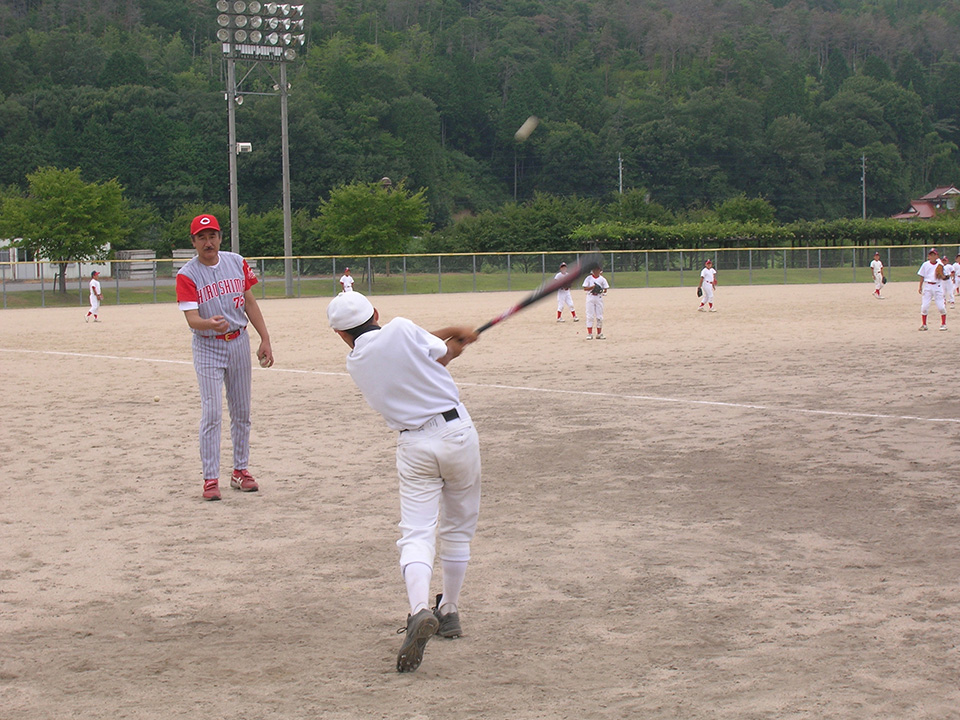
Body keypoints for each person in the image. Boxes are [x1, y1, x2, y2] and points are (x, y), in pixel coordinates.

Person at [326, 291, 481, 673]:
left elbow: (418, 348)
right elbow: (438, 352)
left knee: (416, 533)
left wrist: (450, 338)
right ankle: (449, 610)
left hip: (413, 444)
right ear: (375, 313)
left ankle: (419, 609)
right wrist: (455, 336)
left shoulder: (355, 362)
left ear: (341, 334)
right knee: (457, 528)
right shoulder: (400, 328)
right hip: (456, 432)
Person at [175, 213, 274, 501]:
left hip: (239, 342)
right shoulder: (187, 274)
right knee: (212, 413)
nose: (208, 242)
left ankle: (240, 471)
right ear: (193, 241)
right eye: (202, 237)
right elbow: (192, 319)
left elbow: (249, 302)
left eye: (212, 236)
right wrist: (208, 324)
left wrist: (265, 338)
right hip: (208, 345)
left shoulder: (236, 262)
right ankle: (210, 478)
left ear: (220, 238)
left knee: (242, 411)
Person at [917, 248, 947, 331]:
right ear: (928, 256)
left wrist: (943, 275)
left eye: (934, 255)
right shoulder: (925, 264)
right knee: (924, 306)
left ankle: (943, 324)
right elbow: (922, 276)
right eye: (931, 255)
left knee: (941, 307)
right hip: (928, 286)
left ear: (937, 256)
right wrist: (920, 286)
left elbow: (945, 276)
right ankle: (924, 324)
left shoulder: (940, 265)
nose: (932, 256)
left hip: (938, 286)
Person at [582, 266, 609, 339]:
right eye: (594, 270)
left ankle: (599, 333)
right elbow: (585, 288)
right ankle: (589, 334)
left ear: (600, 271)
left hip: (598, 298)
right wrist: (592, 287)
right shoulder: (588, 278)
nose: (596, 271)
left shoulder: (602, 279)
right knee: (589, 316)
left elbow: (605, 289)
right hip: (590, 297)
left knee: (599, 316)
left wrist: (601, 290)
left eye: (597, 270)